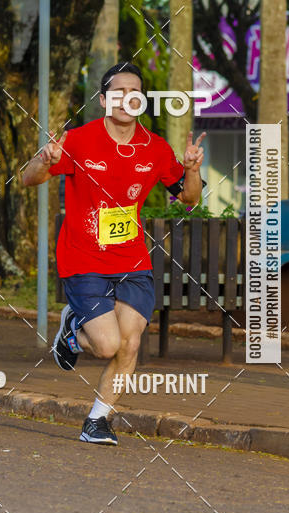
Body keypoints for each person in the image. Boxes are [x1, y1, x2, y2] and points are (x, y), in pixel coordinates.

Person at [21, 62, 205, 445]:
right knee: (107, 346)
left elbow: (189, 198)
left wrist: (190, 170)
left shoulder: (156, 148)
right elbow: (28, 178)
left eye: (134, 92)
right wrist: (44, 160)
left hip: (131, 260)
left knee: (130, 343)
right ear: (104, 100)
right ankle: (73, 329)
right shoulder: (78, 140)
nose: (126, 98)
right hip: (83, 257)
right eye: (118, 92)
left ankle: (98, 420)